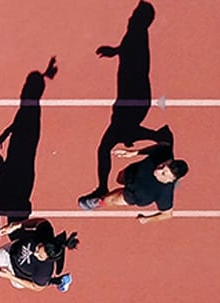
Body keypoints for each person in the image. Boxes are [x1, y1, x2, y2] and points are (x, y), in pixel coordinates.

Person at [79, 2, 174, 204]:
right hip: (133, 99)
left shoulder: (138, 35)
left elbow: (138, 62)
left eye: (134, 15)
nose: (130, 18)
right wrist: (116, 51)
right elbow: (132, 54)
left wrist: (120, 56)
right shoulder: (136, 36)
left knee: (107, 145)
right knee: (120, 136)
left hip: (134, 99)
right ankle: (158, 136)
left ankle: (158, 137)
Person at [0, 58, 58, 254]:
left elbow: (23, 147)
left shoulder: (31, 113)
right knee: (10, 225)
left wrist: (3, 166)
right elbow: (19, 126)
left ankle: (47, 245)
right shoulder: (28, 110)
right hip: (17, 172)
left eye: (26, 86)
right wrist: (5, 134)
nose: (23, 89)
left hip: (17, 175)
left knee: (4, 220)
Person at [78, 143, 187, 222]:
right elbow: (160, 147)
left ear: (171, 180)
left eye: (163, 173)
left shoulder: (164, 193)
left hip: (135, 195)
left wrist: (147, 219)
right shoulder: (165, 153)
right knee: (119, 179)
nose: (158, 170)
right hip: (133, 172)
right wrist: (135, 153)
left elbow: (167, 214)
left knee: (109, 199)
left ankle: (98, 202)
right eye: (162, 166)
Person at [0, 219, 77, 292]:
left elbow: (36, 287)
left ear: (47, 259)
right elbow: (40, 222)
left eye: (39, 255)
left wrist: (10, 276)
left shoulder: (45, 270)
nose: (35, 251)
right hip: (10, 251)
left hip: (18, 274)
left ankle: (57, 281)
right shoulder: (45, 232)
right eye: (38, 246)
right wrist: (14, 226)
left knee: (36, 282)